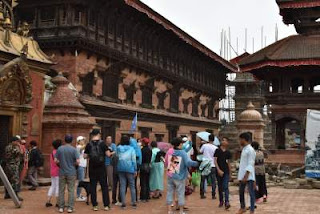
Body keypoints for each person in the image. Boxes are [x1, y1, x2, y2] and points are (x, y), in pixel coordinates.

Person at [165, 137, 198, 214]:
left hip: (171, 174)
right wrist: (197, 163)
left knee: (170, 192)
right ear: (180, 144)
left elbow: (166, 162)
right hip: (179, 176)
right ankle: (181, 211)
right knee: (180, 193)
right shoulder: (182, 153)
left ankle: (169, 210)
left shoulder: (170, 151)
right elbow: (188, 163)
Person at [84, 129, 111, 211]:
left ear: (92, 135)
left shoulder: (88, 144)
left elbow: (85, 156)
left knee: (93, 186)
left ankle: (95, 205)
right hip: (101, 168)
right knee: (104, 186)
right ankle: (106, 205)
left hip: (92, 168)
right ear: (99, 134)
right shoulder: (102, 143)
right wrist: (111, 153)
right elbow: (108, 154)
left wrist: (90, 156)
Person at [55, 134, 80, 213]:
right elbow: (78, 161)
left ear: (64, 140)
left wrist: (60, 164)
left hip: (62, 172)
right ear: (71, 140)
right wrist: (73, 165)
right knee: (71, 190)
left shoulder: (60, 149)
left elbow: (55, 160)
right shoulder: (74, 149)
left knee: (61, 190)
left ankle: (61, 207)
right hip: (71, 172)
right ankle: (70, 207)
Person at [237, 132, 256, 214]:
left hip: (248, 175)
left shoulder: (250, 150)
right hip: (242, 174)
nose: (239, 141)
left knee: (251, 193)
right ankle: (242, 207)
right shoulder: (244, 149)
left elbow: (251, 163)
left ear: (244, 140)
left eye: (240, 139)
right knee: (241, 191)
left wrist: (246, 175)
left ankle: (252, 210)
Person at [117, 135, 137, 209]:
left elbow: (117, 156)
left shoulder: (118, 148)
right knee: (132, 186)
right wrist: (135, 169)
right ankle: (134, 202)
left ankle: (123, 203)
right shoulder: (132, 149)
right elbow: (134, 160)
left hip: (120, 168)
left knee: (122, 185)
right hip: (130, 168)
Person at [214, 137, 232, 210]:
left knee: (225, 186)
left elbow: (229, 163)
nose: (224, 142)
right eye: (223, 140)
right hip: (219, 171)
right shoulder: (217, 150)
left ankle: (227, 201)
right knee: (220, 187)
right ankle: (221, 200)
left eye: (225, 140)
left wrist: (230, 173)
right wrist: (218, 170)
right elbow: (215, 160)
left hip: (226, 171)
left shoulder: (228, 152)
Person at [4, 136, 23, 201]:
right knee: (15, 180)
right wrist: (20, 146)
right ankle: (15, 195)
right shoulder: (12, 147)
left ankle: (7, 194)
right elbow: (20, 153)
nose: (18, 143)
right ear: (13, 141)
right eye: (17, 141)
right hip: (13, 166)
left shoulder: (8, 147)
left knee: (8, 180)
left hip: (9, 165)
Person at [199, 134, 218, 199]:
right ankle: (213, 195)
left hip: (205, 164)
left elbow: (200, 151)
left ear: (208, 139)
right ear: (214, 140)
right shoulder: (216, 148)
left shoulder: (204, 145)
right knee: (213, 181)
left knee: (203, 180)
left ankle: (202, 194)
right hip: (212, 165)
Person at [46, 139, 62, 207]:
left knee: (53, 186)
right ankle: (58, 202)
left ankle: (48, 201)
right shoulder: (59, 153)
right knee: (58, 186)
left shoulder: (52, 152)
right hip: (58, 171)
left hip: (52, 171)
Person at [139, 138, 152, 202]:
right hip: (148, 166)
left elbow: (141, 159)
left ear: (143, 143)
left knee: (143, 182)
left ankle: (143, 197)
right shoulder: (150, 149)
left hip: (143, 166)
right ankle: (147, 196)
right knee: (147, 181)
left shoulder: (142, 150)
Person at [76, 136, 87, 202]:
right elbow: (83, 147)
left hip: (83, 165)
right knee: (81, 181)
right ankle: (78, 195)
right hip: (80, 166)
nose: (83, 141)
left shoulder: (81, 147)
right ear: (79, 141)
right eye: (82, 140)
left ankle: (79, 194)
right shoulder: (78, 147)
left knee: (81, 181)